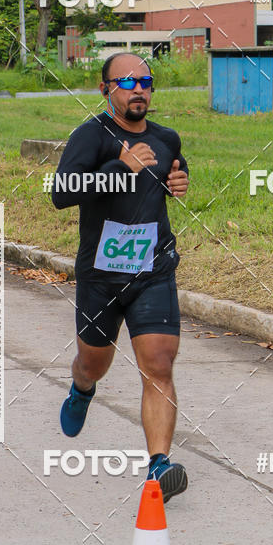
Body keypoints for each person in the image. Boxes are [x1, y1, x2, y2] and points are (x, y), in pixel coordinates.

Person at [52, 52, 189, 502]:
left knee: (159, 364)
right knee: (94, 363)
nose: (138, 89)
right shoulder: (90, 136)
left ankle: (159, 465)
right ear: (105, 89)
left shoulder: (166, 138)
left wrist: (178, 181)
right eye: (127, 82)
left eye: (145, 82)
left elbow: (172, 173)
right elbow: (62, 193)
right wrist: (119, 169)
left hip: (153, 269)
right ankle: (82, 388)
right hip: (101, 276)